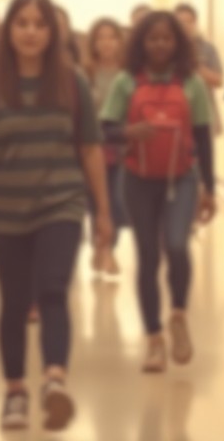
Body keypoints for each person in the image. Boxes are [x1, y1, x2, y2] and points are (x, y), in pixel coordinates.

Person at [0, 0, 113, 433]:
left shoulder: (71, 82)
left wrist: (103, 211)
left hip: (61, 203)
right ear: (10, 29)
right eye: (22, 23)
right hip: (5, 208)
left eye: (39, 24)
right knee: (13, 301)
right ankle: (14, 393)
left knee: (52, 291)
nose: (30, 32)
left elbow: (89, 149)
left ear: (53, 31)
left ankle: (54, 382)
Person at [100, 11, 217, 373]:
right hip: (137, 179)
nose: (160, 44)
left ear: (178, 42)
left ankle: (178, 315)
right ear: (141, 43)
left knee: (178, 245)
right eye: (153, 38)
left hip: (181, 179)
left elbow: (203, 137)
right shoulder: (125, 82)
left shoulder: (192, 83)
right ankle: (153, 340)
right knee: (148, 257)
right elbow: (104, 129)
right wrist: (128, 133)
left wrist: (209, 187)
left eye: (167, 38)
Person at [84, 18, 129, 278]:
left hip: (122, 146)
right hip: (93, 148)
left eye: (112, 36)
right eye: (101, 37)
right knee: (96, 203)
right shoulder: (86, 73)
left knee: (117, 203)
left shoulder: (128, 73)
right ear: (93, 43)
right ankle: (101, 247)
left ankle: (108, 249)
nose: (106, 42)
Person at [175, 3, 224, 137]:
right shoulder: (168, 49)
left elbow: (218, 81)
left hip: (204, 114)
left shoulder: (207, 49)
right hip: (175, 115)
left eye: (189, 22)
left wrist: (195, 66)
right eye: (181, 22)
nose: (185, 26)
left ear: (195, 23)